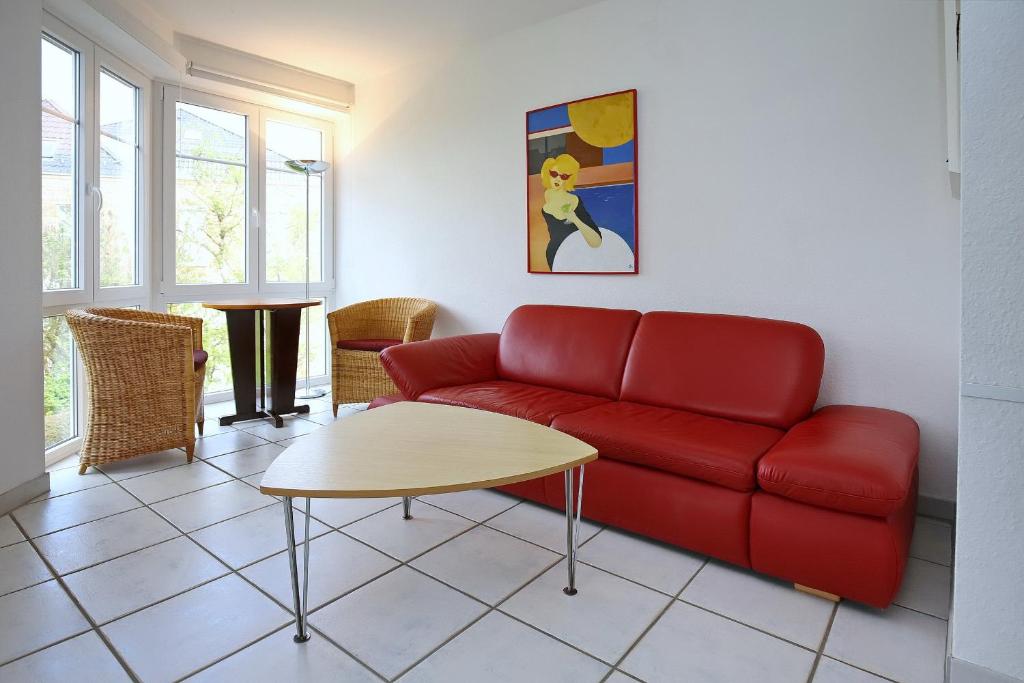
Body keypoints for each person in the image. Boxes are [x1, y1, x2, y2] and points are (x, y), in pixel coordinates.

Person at [540, 153, 602, 270]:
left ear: (569, 179)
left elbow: (596, 242)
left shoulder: (574, 201)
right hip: (555, 255)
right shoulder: (546, 203)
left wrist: (574, 219)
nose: (558, 178)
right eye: (554, 174)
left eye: (564, 176)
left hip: (577, 254)